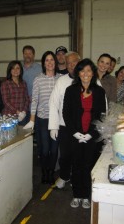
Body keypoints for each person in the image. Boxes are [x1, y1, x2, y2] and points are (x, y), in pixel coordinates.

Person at [63, 58, 106, 209]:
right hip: (75, 135)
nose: (85, 74)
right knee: (76, 165)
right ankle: (76, 195)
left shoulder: (99, 91)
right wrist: (75, 133)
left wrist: (91, 134)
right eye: (82, 70)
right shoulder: (70, 90)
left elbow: (102, 115)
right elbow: (66, 113)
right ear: (78, 73)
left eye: (88, 70)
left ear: (93, 73)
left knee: (88, 165)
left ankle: (86, 195)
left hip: (91, 136)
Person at [24, 51, 61, 184]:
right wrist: (32, 120)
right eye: (47, 60)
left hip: (56, 120)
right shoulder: (38, 79)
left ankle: (51, 172)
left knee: (54, 149)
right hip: (43, 119)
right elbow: (34, 100)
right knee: (45, 150)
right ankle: (44, 172)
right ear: (43, 63)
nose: (50, 62)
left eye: (52, 60)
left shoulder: (61, 79)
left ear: (55, 62)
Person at [48, 51, 81, 189]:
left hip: (82, 126)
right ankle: (64, 176)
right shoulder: (61, 81)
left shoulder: (89, 78)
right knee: (65, 155)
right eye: (68, 63)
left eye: (74, 62)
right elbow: (53, 103)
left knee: (79, 155)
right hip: (64, 125)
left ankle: (77, 178)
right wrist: (53, 126)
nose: (72, 65)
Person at [1, 60, 30, 125]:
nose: (15, 70)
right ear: (10, 70)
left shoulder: (23, 83)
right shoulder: (5, 83)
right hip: (9, 117)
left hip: (22, 117)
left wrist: (24, 112)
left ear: (20, 70)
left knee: (22, 135)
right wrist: (18, 112)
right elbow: (6, 101)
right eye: (13, 68)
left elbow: (27, 99)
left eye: (17, 68)